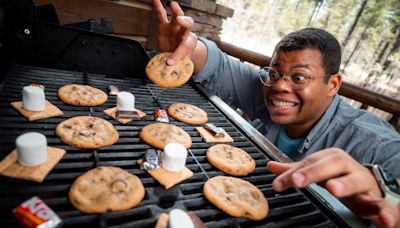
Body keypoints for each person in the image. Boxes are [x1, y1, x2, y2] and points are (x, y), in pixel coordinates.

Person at [152, 0, 400, 226]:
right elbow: (219, 65)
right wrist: (184, 48)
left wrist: (385, 191)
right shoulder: (266, 88)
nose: (281, 85)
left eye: (300, 77)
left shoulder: (372, 142)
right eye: (275, 72)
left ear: (333, 85)